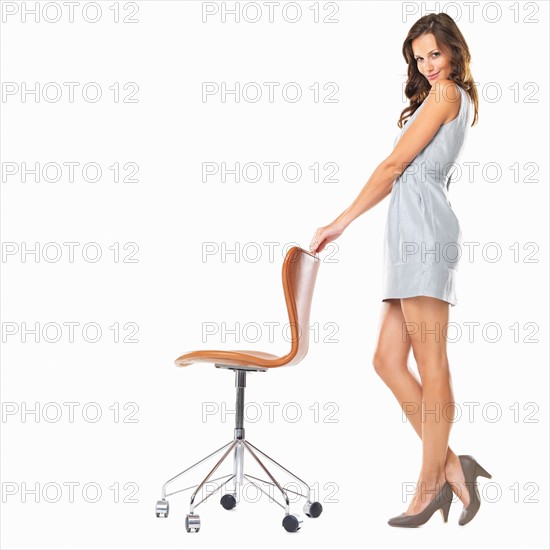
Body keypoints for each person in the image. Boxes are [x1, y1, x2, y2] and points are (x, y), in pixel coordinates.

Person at [309, 13, 491, 527]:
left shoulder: (447, 94)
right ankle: (455, 464)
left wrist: (339, 221)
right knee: (387, 359)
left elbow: (393, 168)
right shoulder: (437, 97)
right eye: (419, 58)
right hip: (407, 234)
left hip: (425, 234)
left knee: (432, 362)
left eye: (436, 53)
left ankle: (431, 481)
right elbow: (399, 172)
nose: (429, 65)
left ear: (454, 51)